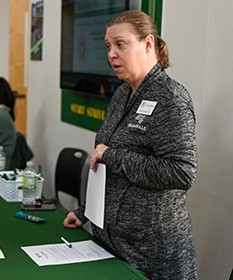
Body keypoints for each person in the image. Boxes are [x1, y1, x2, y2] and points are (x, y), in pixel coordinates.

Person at [63, 10, 197, 280]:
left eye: (120, 44)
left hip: (153, 254)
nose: (111, 54)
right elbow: (104, 165)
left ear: (148, 44)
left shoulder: (171, 98)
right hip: (112, 244)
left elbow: (182, 172)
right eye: (108, 46)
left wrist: (113, 156)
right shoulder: (122, 92)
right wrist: (86, 212)